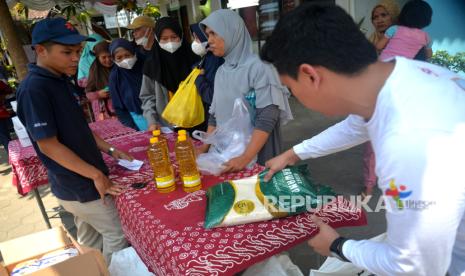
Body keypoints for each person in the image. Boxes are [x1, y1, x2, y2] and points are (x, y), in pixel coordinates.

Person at [261, 3, 465, 275]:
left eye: (290, 87)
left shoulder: (409, 141)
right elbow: (355, 127)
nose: (293, 95)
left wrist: (338, 245)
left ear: (311, 76)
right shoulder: (400, 75)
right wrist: (292, 154)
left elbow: (414, 266)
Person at [16, 18, 130, 264]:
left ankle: (88, 269)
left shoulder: (60, 81)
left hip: (79, 183)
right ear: (40, 50)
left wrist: (110, 149)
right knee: (118, 234)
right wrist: (96, 175)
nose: (75, 58)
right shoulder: (34, 88)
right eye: (67, 52)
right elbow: (48, 144)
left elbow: (80, 127)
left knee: (89, 239)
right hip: (79, 184)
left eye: (78, 52)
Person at [199, 10, 293, 171]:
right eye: (208, 35)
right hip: (228, 154)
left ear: (231, 32)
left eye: (214, 33)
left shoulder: (261, 67)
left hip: (256, 154)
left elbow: (268, 116)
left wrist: (245, 157)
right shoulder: (221, 71)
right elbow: (215, 116)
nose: (209, 41)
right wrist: (204, 148)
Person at [363, 0, 400, 197]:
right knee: (371, 145)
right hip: (375, 100)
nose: (379, 20)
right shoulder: (370, 41)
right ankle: (369, 185)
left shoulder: (403, 40)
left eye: (384, 15)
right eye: (375, 17)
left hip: (399, 100)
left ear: (393, 15)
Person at [139, 17, 199, 131]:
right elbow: (147, 97)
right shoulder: (151, 64)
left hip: (196, 122)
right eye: (164, 39)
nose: (170, 42)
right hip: (167, 126)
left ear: (181, 36)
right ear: (157, 39)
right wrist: (152, 121)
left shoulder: (194, 59)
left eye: (174, 37)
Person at [189, 22, 224, 132]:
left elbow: (212, 97)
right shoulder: (206, 58)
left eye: (197, 38)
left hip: (214, 121)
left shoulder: (215, 60)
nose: (194, 42)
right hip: (209, 119)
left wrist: (198, 78)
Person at [109, 38, 147, 131]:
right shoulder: (115, 77)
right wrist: (133, 128)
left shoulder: (146, 66)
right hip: (138, 120)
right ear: (114, 59)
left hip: (160, 113)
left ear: (133, 53)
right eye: (119, 57)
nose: (124, 60)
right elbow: (119, 107)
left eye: (127, 55)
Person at [86, 41, 115, 121]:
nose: (108, 60)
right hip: (103, 114)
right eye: (104, 57)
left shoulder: (119, 68)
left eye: (110, 56)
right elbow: (88, 94)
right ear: (98, 58)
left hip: (122, 111)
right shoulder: (94, 71)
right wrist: (98, 94)